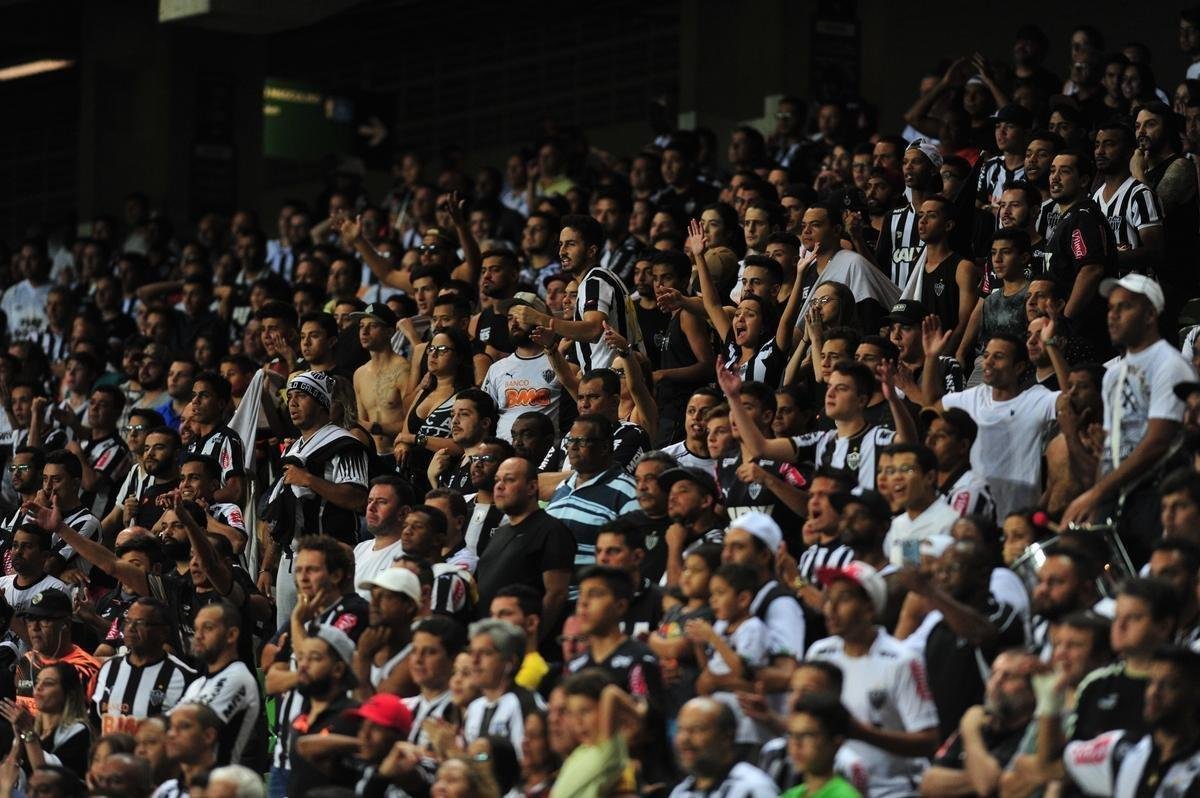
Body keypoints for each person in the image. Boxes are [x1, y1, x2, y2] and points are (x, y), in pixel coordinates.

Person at [1062, 276, 1192, 566]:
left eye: (1124, 307)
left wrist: (1096, 493)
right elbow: (1110, 450)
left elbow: (1158, 442)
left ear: (1149, 315)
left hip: (1156, 494)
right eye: (1110, 308)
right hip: (1117, 496)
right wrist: (1098, 499)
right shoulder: (1112, 376)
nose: (1113, 316)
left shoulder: (1170, 366)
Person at [808, 561, 940, 798]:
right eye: (829, 599)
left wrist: (862, 733)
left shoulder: (900, 661)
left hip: (892, 791)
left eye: (844, 599)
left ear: (869, 608)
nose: (830, 608)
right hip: (832, 789)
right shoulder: (819, 654)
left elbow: (928, 741)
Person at [924, 321, 1066, 519]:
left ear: (1019, 367)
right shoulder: (973, 397)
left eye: (998, 357)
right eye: (986, 355)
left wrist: (1050, 344)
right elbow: (933, 403)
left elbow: (1069, 402)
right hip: (975, 513)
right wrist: (931, 357)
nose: (988, 362)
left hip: (1018, 519)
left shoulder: (1036, 398)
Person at [261, 370, 369, 621]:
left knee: (326, 633)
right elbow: (282, 512)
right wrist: (268, 566)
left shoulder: (346, 444)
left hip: (330, 556)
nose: (293, 403)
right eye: (290, 397)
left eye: (301, 396)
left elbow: (357, 498)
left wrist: (308, 480)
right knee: (289, 640)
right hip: (291, 558)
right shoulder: (293, 447)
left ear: (321, 403)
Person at [1064, 646, 1200, 798]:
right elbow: (1052, 763)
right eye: (1151, 682)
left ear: (1195, 693)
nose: (1154, 692)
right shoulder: (1120, 749)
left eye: (1169, 685)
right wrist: (1049, 703)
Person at [918, 650, 1037, 796]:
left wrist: (970, 731)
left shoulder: (1033, 735)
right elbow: (928, 783)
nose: (996, 681)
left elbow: (986, 785)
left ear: (1032, 691)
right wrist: (983, 777)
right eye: (993, 674)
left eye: (1008, 676)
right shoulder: (981, 723)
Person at [92, 597, 196, 736]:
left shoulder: (183, 677)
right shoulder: (108, 668)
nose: (131, 628)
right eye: (127, 621)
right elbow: (94, 724)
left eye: (140, 623)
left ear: (163, 632)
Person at [178, 601, 263, 767]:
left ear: (231, 635)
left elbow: (196, 731)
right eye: (196, 629)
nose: (198, 635)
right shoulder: (198, 684)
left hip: (222, 782)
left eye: (208, 628)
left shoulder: (238, 677)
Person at [287, 624, 361, 796]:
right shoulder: (303, 714)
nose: (303, 665)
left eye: (315, 658)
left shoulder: (353, 716)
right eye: (301, 657)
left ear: (338, 669)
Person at [482, 292, 564, 441]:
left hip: (545, 454)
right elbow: (484, 415)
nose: (514, 323)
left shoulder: (558, 361)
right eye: (510, 318)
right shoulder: (497, 368)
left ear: (540, 319)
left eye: (522, 316)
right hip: (503, 454)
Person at [462, 619, 545, 756]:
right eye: (472, 652)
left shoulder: (525, 703)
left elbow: (525, 760)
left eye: (485, 653)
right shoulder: (474, 708)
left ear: (510, 662)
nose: (474, 660)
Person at [0, 662, 93, 781]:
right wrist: (19, 740)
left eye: (48, 683)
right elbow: (8, 776)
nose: (38, 687)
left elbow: (46, 778)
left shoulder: (79, 731)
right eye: (37, 682)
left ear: (68, 692)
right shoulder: (33, 727)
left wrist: (27, 731)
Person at [669, 697, 778, 797]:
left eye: (697, 729)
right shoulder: (680, 792)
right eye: (680, 730)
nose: (684, 739)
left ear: (726, 737)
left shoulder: (753, 788)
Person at [779, 694, 862, 798]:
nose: (796, 743)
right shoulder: (790, 795)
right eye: (792, 735)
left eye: (808, 735)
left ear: (836, 743)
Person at [353, 476, 412, 599]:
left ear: (404, 513)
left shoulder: (407, 556)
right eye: (370, 501)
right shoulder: (360, 548)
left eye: (381, 502)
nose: (371, 508)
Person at [152, 702, 221, 798]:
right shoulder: (166, 790)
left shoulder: (229, 789)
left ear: (208, 736)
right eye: (171, 727)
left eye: (184, 726)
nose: (171, 734)